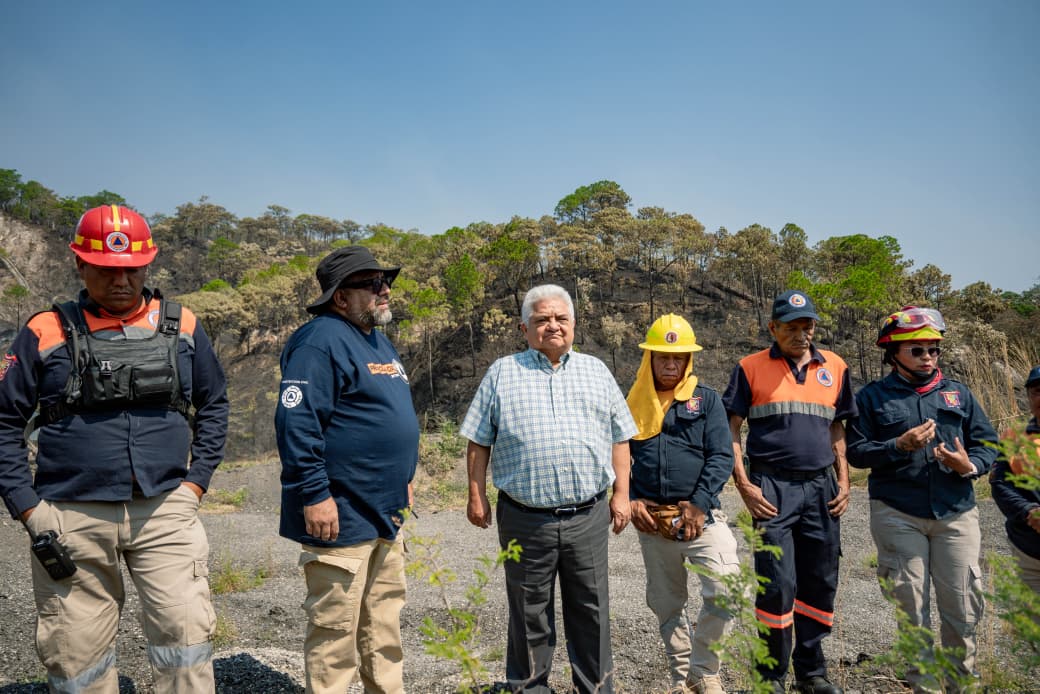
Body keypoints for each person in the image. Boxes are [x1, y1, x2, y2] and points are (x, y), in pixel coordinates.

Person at [0, 204, 229, 692]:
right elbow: (3, 420)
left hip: (166, 510)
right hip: (69, 515)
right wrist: (27, 507)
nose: (121, 281)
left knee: (185, 636)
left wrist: (196, 484)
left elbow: (214, 404)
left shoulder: (184, 326)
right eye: (106, 269)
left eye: (132, 269)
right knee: (76, 654)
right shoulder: (45, 330)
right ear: (80, 265)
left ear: (148, 265)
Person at [461, 283, 638, 694]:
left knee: (592, 610)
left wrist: (621, 494)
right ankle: (530, 688)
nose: (553, 326)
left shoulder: (596, 371)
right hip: (524, 518)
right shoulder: (502, 372)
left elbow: (620, 437)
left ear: (574, 324)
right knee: (529, 613)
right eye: (542, 319)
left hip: (588, 516)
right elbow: (478, 441)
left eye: (561, 318)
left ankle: (595, 688)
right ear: (524, 328)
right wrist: (476, 494)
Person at [275, 245, 419, 694]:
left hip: (386, 511)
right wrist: (315, 495)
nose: (385, 289)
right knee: (334, 633)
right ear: (340, 297)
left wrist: (404, 480)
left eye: (385, 281)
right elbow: (297, 424)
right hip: (340, 513)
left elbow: (385, 418)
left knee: (383, 625)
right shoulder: (318, 341)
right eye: (373, 283)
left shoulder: (376, 339)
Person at [847, 306, 997, 693]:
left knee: (962, 607)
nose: (928, 357)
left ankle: (961, 686)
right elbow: (856, 452)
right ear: (893, 353)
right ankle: (923, 687)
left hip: (956, 513)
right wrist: (897, 446)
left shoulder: (959, 394)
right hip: (898, 513)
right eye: (917, 350)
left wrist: (969, 465)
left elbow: (987, 444)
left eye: (933, 349)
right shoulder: (872, 397)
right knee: (911, 608)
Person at [722, 290, 854, 694]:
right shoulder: (749, 368)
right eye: (792, 327)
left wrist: (844, 479)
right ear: (773, 328)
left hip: (821, 488)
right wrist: (744, 484)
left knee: (820, 580)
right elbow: (731, 430)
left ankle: (811, 673)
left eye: (807, 326)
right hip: (772, 488)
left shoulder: (835, 367)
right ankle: (770, 677)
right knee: (777, 584)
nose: (801, 334)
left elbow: (837, 427)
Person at [626, 314, 739, 694]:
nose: (671, 365)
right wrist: (630, 499)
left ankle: (703, 670)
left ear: (688, 359)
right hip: (653, 521)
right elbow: (616, 456)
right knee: (667, 603)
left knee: (726, 589)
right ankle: (681, 680)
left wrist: (699, 504)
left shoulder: (706, 400)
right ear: (650, 358)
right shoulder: (631, 402)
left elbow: (721, 455)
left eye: (679, 358)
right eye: (663, 357)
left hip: (702, 517)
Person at [991, 365, 1040, 593]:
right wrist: (1029, 511)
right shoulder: (1013, 438)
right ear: (1028, 397)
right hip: (1028, 553)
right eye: (1037, 391)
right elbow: (1000, 485)